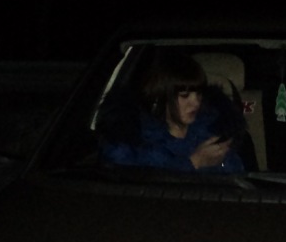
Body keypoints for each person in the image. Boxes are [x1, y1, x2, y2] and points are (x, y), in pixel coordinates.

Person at [99, 51, 246, 173]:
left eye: (199, 94)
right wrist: (193, 163)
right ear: (160, 96)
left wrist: (221, 162)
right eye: (184, 95)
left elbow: (237, 180)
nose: (196, 102)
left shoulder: (213, 130)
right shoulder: (135, 142)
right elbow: (133, 183)